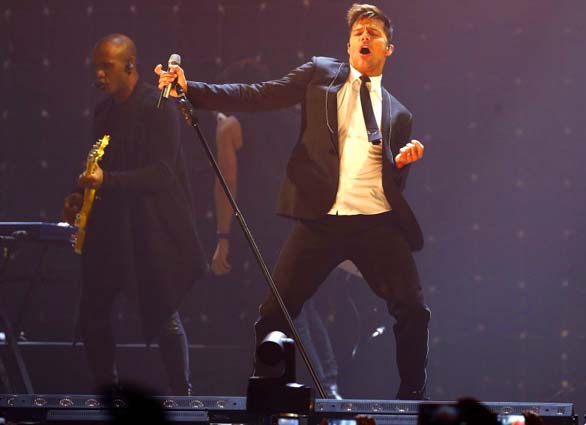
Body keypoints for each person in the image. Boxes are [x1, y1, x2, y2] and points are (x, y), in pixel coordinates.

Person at [156, 3, 430, 399]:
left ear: (388, 49)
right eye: (358, 32)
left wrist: (401, 165)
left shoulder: (399, 114)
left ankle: (412, 398)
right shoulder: (321, 74)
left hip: (375, 223)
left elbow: (391, 184)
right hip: (322, 220)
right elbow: (258, 95)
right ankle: (271, 394)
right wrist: (192, 89)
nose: (365, 37)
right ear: (348, 45)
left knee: (413, 309)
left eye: (374, 33)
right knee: (275, 313)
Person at [63, 33, 204, 395]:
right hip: (109, 227)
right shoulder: (104, 112)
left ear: (129, 66)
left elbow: (163, 173)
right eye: (96, 67)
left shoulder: (158, 107)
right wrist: (81, 196)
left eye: (106, 66)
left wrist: (107, 180)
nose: (99, 74)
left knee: (163, 311)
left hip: (148, 228)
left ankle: (182, 396)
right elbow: (100, 164)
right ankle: (107, 393)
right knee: (93, 312)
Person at [210, 66, 341, 397]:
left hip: (266, 229)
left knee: (288, 309)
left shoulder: (229, 127)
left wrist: (223, 237)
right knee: (304, 305)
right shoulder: (294, 117)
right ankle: (331, 385)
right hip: (301, 219)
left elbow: (227, 184)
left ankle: (324, 391)